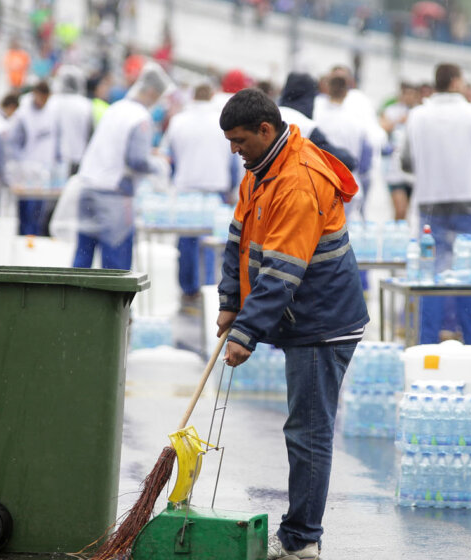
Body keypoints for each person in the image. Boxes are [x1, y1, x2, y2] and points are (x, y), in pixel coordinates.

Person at [216, 88, 368, 560]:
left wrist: (245, 334)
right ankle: (300, 532)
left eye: (240, 140)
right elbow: (239, 238)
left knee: (308, 431)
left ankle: (302, 539)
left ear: (266, 129)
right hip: (299, 315)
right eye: (230, 142)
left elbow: (282, 271)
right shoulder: (260, 171)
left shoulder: (299, 181)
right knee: (303, 429)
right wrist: (229, 301)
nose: (235, 150)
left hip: (323, 321)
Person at [402, 63, 471, 346]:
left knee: (431, 278)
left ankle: (428, 344)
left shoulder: (417, 116)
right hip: (467, 202)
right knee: (469, 276)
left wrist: (432, 170)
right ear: (456, 82)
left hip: (429, 204)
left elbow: (406, 161)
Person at [73, 62, 173, 270]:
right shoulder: (140, 117)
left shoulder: (115, 108)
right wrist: (159, 165)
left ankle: (75, 300)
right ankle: (114, 303)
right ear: (152, 93)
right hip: (113, 196)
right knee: (115, 264)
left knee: (83, 257)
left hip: (88, 188)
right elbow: (137, 159)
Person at [163, 83, 241, 304]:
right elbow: (234, 161)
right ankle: (208, 288)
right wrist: (232, 188)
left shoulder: (179, 121)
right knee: (212, 244)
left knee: (186, 243)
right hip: (215, 188)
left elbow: (168, 156)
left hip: (186, 188)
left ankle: (188, 289)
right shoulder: (221, 122)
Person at [314, 74, 372, 220]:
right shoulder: (357, 121)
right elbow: (365, 161)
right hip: (350, 187)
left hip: (322, 185)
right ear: (346, 92)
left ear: (327, 89)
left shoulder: (316, 117)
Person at [276, 72, 359, 173]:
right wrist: (349, 158)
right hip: (291, 183)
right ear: (309, 96)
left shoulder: (272, 113)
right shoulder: (305, 125)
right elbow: (339, 159)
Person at [11, 80, 61, 236]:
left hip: (44, 170)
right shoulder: (23, 114)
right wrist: (21, 164)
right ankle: (24, 242)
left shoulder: (52, 112)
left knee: (39, 214)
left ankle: (34, 242)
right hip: (26, 171)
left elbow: (56, 141)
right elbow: (14, 143)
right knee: (26, 212)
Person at [379, 82, 419, 221]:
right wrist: (399, 121)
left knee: (411, 213)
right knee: (400, 210)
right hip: (394, 169)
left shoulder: (419, 113)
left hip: (414, 171)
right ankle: (396, 235)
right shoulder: (392, 110)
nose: (409, 97)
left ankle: (404, 236)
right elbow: (383, 126)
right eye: (406, 94)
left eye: (412, 94)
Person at [52, 66, 94, 176]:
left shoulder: (53, 103)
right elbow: (90, 134)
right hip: (78, 158)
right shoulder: (86, 105)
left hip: (53, 159)